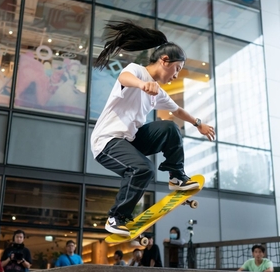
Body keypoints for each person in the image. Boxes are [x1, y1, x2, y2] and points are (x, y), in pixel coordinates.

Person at [90, 21, 215, 237]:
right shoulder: (136, 71)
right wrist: (142, 84)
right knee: (143, 169)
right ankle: (116, 217)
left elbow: (178, 111)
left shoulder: (159, 92)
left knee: (170, 128)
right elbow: (123, 77)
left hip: (130, 140)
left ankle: (176, 177)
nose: (176, 75)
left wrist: (199, 124)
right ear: (164, 61)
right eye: (177, 69)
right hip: (106, 142)